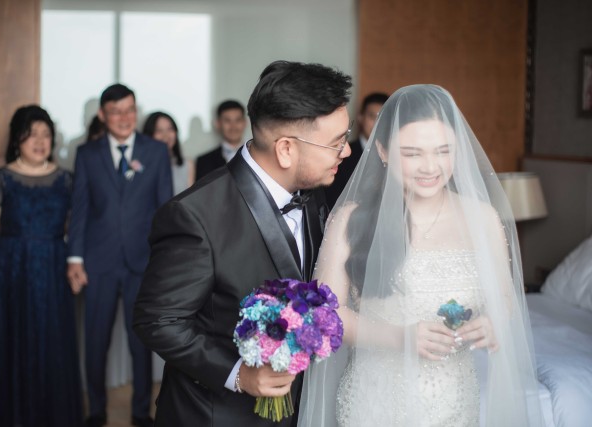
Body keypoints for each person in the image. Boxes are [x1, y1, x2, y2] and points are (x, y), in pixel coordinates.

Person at [297, 84, 546, 426]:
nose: (431, 167)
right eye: (413, 153)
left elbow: (504, 298)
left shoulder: (483, 218)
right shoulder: (351, 219)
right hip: (374, 402)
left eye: (443, 151)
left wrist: (492, 324)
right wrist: (400, 338)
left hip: (454, 401)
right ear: (383, 151)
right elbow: (324, 313)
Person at [133, 60, 353, 427]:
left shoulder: (313, 192)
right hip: (215, 414)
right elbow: (158, 320)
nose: (346, 152)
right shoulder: (194, 215)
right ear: (286, 149)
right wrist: (238, 373)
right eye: (336, 143)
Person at [0, 105, 83, 427]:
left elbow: (75, 229)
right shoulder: (2, 178)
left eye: (46, 135)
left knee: (51, 344)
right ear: (17, 139)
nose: (40, 141)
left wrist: (75, 265)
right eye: (31, 135)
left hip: (53, 269)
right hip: (11, 269)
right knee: (10, 343)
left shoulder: (66, 179)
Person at [67, 83, 173, 427]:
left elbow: (165, 211)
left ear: (136, 111)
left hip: (142, 263)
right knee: (95, 341)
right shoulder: (87, 153)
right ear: (103, 115)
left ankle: (141, 411)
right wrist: (75, 259)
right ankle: (96, 409)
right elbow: (80, 209)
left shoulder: (155, 151)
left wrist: (164, 261)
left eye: (130, 110)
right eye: (116, 112)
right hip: (98, 262)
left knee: (140, 342)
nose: (124, 118)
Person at [324, 92, 389, 209]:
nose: (377, 123)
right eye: (372, 117)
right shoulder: (342, 154)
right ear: (360, 117)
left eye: (383, 118)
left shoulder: (396, 157)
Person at [143, 111, 194, 195]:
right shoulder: (141, 165)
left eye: (170, 129)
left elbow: (190, 199)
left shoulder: (187, 164)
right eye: (159, 130)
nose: (166, 135)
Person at [194, 99, 247, 180]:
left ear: (245, 123)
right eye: (227, 121)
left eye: (238, 120)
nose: (233, 126)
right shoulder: (203, 162)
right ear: (218, 124)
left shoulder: (259, 156)